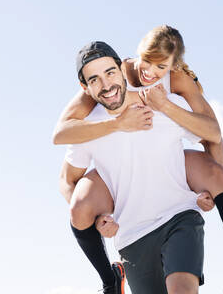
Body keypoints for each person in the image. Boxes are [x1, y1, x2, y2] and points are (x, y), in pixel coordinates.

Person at [54, 26, 223, 294]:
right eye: (147, 61)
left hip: (176, 206)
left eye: (161, 67)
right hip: (131, 227)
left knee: (214, 174)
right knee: (79, 205)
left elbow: (213, 135)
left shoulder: (172, 90)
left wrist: (210, 195)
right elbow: (60, 139)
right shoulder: (97, 99)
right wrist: (119, 124)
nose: (151, 73)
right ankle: (110, 281)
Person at [60, 41, 207, 293]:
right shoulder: (88, 128)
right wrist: (99, 220)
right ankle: (110, 281)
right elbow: (66, 181)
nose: (106, 85)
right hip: (133, 237)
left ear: (122, 68)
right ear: (85, 87)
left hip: (179, 217)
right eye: (94, 79)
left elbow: (211, 135)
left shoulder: (163, 104)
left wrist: (213, 190)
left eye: (110, 73)